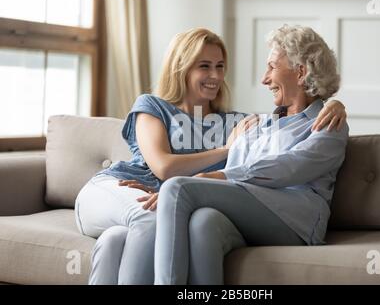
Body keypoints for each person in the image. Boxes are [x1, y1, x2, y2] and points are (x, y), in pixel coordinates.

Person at [74, 27, 347, 285]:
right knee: (150, 227)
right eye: (204, 66)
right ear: (181, 68)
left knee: (122, 236)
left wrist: (335, 103)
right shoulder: (160, 107)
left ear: (300, 72)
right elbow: (166, 168)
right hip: (125, 186)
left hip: (292, 214)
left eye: (220, 67)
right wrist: (221, 159)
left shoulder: (244, 123)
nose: (216, 75)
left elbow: (289, 163)